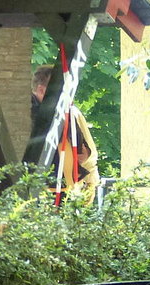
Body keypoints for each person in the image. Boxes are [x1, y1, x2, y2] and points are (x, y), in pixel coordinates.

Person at [31, 64, 99, 204]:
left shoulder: (69, 113)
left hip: (69, 192)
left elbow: (87, 155)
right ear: (41, 90)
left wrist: (84, 157)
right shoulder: (26, 115)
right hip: (42, 194)